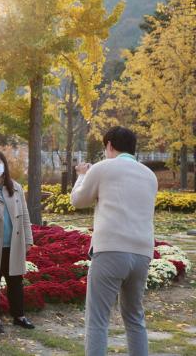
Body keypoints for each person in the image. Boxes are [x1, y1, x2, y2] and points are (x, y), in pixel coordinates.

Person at [70, 126, 158, 356]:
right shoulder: (149, 175)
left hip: (110, 250)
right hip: (142, 253)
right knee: (134, 317)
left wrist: (81, 176)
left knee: (98, 319)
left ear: (109, 145)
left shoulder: (103, 168)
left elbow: (78, 200)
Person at [0, 150, 35, 334]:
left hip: (14, 243)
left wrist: (28, 239)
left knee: (15, 282)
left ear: (4, 164)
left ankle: (19, 316)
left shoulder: (16, 187)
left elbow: (25, 215)